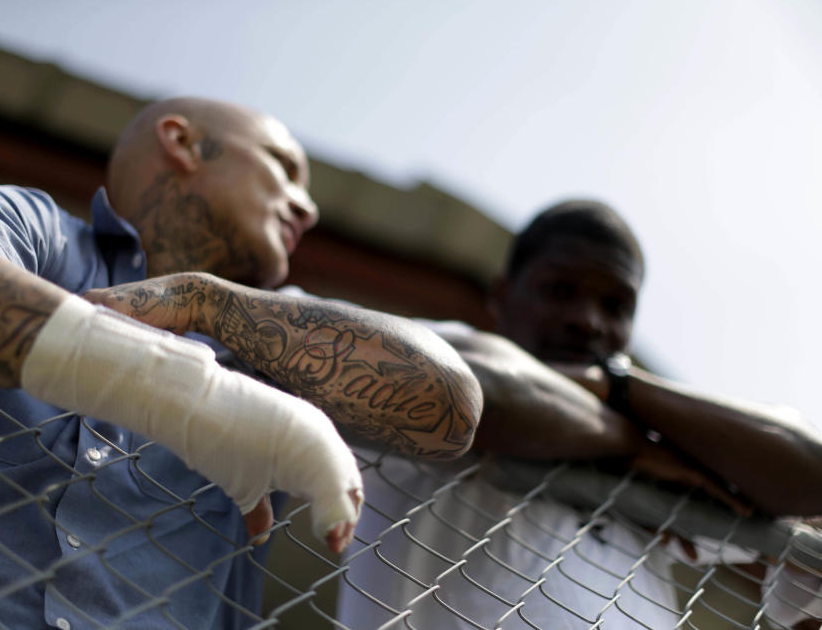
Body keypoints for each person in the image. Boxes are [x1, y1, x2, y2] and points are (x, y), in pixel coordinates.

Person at [0, 97, 482, 629]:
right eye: (284, 168)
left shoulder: (278, 337)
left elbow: (449, 408)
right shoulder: (36, 235)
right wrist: (196, 398)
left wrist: (206, 300)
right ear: (183, 142)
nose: (308, 208)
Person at [338, 199, 822, 628]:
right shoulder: (444, 347)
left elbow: (810, 473)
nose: (587, 321)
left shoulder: (662, 448)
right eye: (560, 290)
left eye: (615, 305)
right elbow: (474, 396)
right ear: (502, 296)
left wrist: (618, 388)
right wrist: (631, 445)